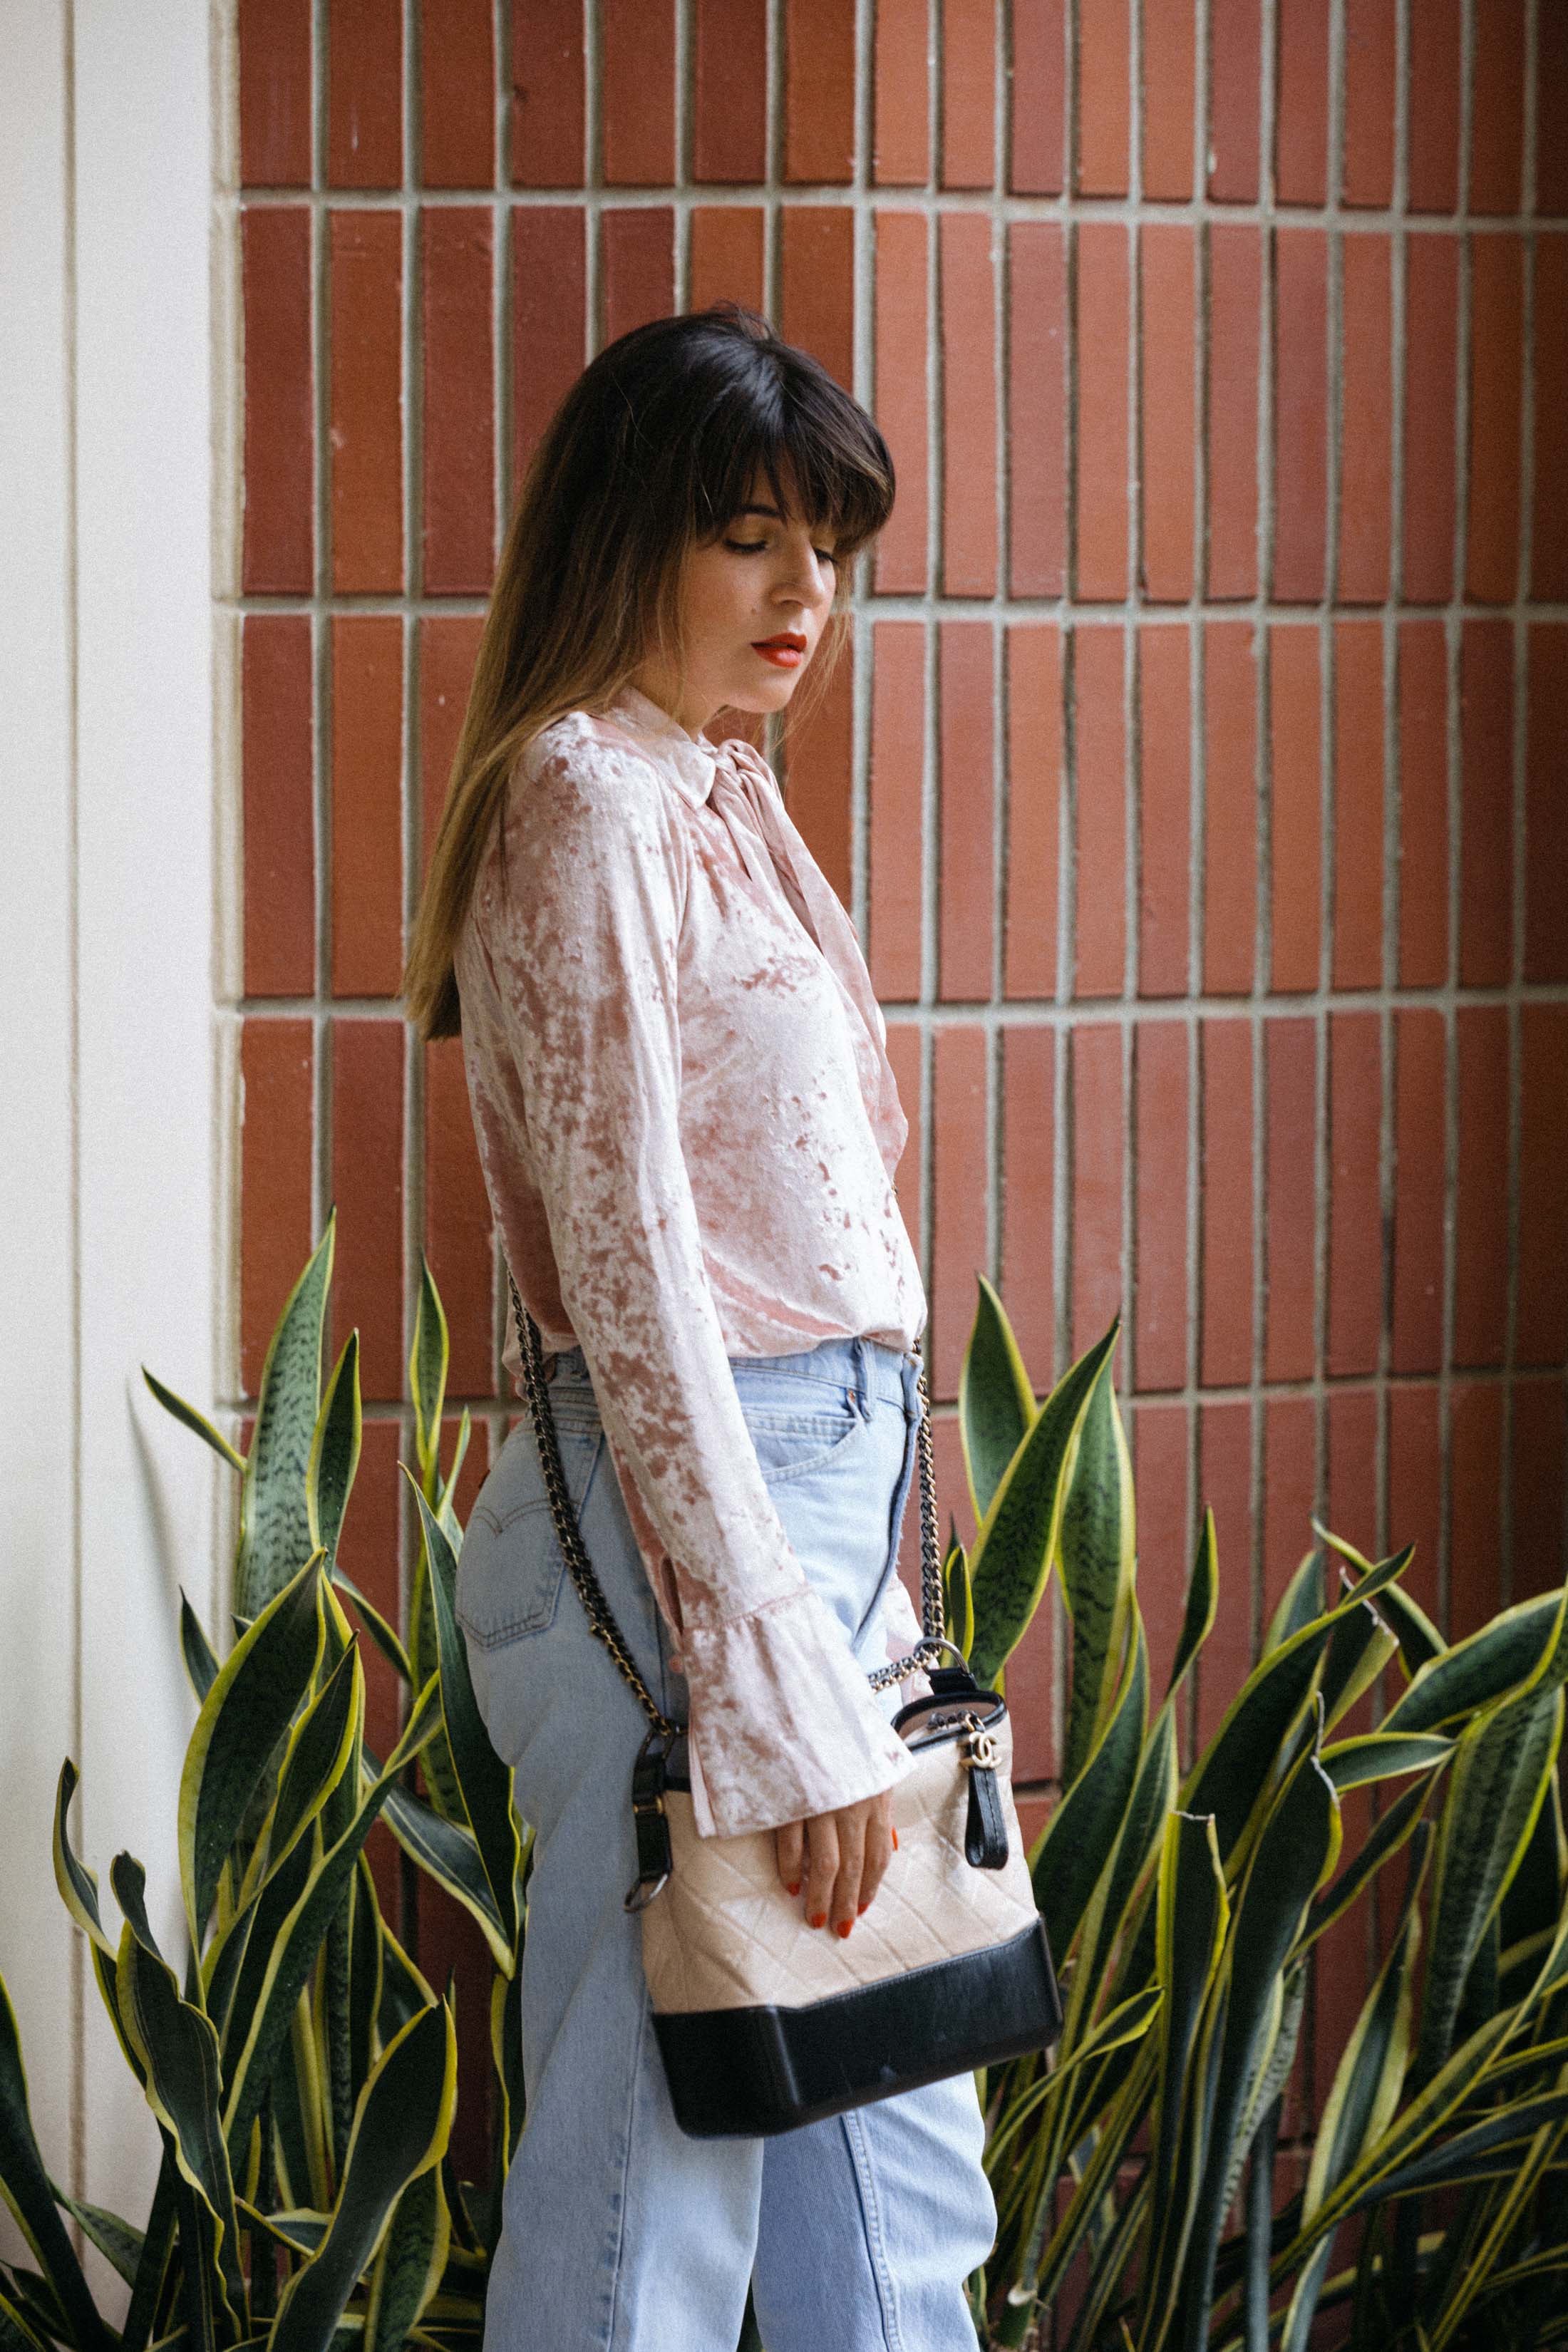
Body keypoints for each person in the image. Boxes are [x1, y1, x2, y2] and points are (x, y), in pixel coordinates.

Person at [403, 304, 996, 2351]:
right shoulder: (584, 796)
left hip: (812, 1530)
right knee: (646, 2195)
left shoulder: (719, 787)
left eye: (826, 543)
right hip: (688, 1542)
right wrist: (759, 1669)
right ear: (625, 539)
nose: (804, 591)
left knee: (899, 2181)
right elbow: (640, 1270)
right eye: (751, 534)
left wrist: (861, 1612)